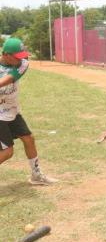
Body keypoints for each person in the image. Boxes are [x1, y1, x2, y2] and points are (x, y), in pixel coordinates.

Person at [0, 37, 58, 185]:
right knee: (7, 152)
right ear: (6, 54)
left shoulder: (23, 64)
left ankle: (36, 175)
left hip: (12, 111)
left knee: (29, 139)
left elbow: (10, 78)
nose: (21, 59)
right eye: (17, 56)